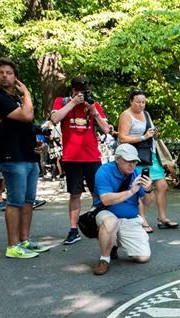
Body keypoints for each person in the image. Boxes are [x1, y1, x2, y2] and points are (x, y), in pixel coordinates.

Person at [0, 57, 49, 258]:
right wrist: (27, 93)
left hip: (28, 156)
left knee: (28, 201)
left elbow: (28, 126)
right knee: (15, 201)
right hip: (11, 157)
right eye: (0, 72)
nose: (5, 75)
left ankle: (25, 240)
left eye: (9, 72)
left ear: (15, 77)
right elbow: (26, 116)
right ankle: (13, 246)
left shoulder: (16, 100)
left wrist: (37, 142)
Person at [50, 76, 111, 245]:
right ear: (72, 90)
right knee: (75, 194)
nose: (81, 94)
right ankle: (73, 229)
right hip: (71, 157)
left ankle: (100, 224)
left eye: (83, 91)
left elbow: (106, 129)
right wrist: (73, 103)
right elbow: (54, 119)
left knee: (97, 194)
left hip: (92, 156)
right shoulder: (61, 102)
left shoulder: (93, 104)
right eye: (78, 91)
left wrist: (93, 111)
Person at [117, 88, 178, 232]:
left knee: (162, 185)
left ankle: (162, 217)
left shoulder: (147, 114)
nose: (141, 105)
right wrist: (143, 137)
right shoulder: (126, 115)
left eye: (143, 102)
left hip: (150, 154)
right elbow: (122, 137)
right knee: (140, 187)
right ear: (131, 101)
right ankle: (142, 219)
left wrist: (154, 133)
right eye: (138, 102)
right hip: (134, 156)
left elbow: (151, 133)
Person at [92, 144, 154, 275]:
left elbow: (148, 204)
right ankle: (104, 259)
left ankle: (114, 242)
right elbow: (106, 200)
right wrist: (131, 191)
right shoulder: (104, 171)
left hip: (130, 220)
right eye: (128, 161)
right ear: (118, 159)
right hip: (106, 213)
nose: (132, 165)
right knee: (111, 222)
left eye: (134, 161)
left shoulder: (137, 173)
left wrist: (149, 190)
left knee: (143, 257)